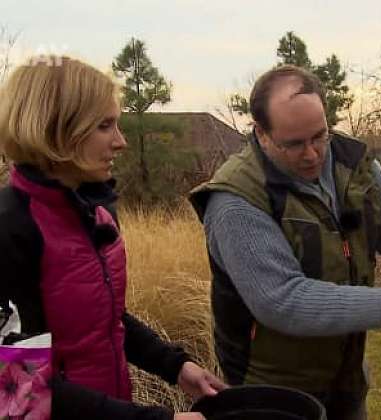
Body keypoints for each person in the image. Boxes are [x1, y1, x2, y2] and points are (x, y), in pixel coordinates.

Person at [189, 65, 381, 419]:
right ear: (261, 133)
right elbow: (280, 299)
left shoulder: (354, 164)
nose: (312, 154)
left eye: (319, 136)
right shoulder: (236, 200)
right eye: (294, 144)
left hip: (347, 379)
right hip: (273, 394)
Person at [0, 56, 226, 420]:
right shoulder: (11, 228)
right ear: (56, 130)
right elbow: (16, 387)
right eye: (104, 126)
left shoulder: (95, 212)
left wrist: (175, 366)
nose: (120, 142)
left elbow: (102, 321)